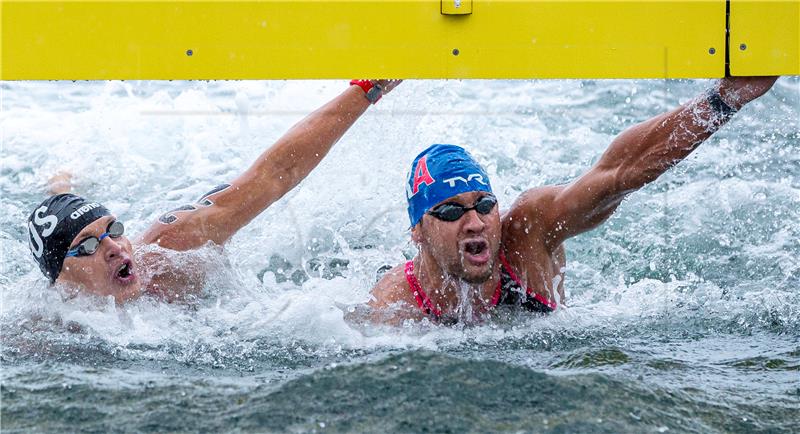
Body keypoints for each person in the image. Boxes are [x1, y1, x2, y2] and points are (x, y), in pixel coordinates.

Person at [368, 76, 778, 325]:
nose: (475, 222)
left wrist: (725, 99)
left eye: (485, 204)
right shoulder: (396, 306)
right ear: (418, 232)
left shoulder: (528, 232)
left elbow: (618, 175)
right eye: (452, 210)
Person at [26, 80, 401, 304]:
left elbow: (273, 175)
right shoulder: (48, 324)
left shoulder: (172, 250)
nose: (115, 249)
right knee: (60, 193)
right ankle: (60, 185)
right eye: (89, 246)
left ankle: (63, 184)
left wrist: (369, 87)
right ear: (60, 277)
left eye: (115, 230)